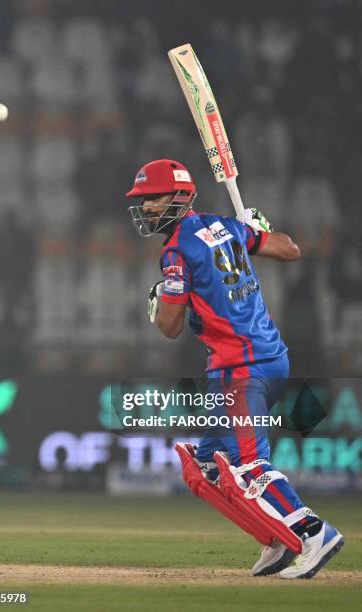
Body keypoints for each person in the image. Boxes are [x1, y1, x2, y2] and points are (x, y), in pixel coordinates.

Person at [126, 158, 344, 579]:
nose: (147, 208)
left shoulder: (176, 251)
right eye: (143, 201)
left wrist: (156, 304)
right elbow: (290, 250)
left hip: (241, 368)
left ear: (178, 196)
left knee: (249, 468)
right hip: (267, 358)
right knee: (205, 466)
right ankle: (276, 539)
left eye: (152, 199)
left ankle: (314, 532)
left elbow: (169, 328)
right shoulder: (225, 226)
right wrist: (257, 228)